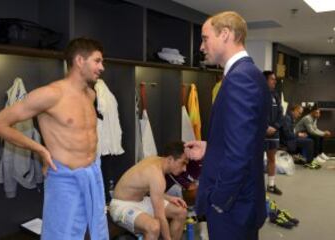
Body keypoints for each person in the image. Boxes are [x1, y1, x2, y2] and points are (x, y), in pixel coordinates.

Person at [0, 37, 108, 240]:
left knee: (95, 229)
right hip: (65, 178)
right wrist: (40, 149)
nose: (102, 67)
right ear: (80, 60)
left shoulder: (90, 94)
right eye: (97, 61)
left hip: (92, 173)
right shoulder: (50, 94)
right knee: (60, 235)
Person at [185, 11, 270, 240]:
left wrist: (219, 201)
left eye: (205, 38)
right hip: (241, 202)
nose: (202, 47)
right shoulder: (248, 74)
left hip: (233, 208)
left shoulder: (239, 79)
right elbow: (242, 140)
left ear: (225, 34)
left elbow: (239, 154)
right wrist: (210, 148)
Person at [109, 141, 188, 240]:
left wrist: (169, 198)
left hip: (141, 201)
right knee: (153, 227)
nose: (184, 169)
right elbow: (160, 216)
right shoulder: (157, 175)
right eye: (183, 163)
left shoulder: (156, 161)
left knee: (181, 212)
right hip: (121, 205)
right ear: (170, 159)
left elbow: (149, 189)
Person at [263, 70, 283, 195]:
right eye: (272, 79)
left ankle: (271, 185)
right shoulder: (257, 94)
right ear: (265, 80)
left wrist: (275, 127)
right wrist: (264, 127)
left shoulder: (276, 95)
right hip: (261, 133)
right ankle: (256, 187)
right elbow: (255, 113)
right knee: (257, 160)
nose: (275, 81)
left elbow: (281, 113)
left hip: (274, 134)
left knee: (272, 159)